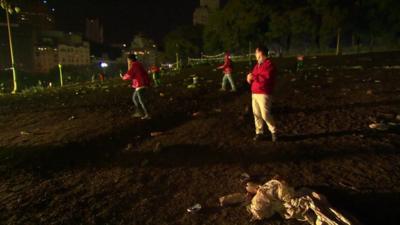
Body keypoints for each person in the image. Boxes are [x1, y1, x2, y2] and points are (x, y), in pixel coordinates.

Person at [247, 46, 278, 142]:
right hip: (255, 93)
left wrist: (253, 76)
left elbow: (265, 79)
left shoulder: (269, 64)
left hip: (264, 93)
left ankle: (273, 131)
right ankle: (259, 132)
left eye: (256, 52)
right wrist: (249, 78)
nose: (255, 54)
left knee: (265, 114)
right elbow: (254, 78)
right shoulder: (257, 66)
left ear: (260, 53)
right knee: (256, 114)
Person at [120, 54, 151, 120]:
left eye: (128, 60)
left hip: (141, 84)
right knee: (135, 98)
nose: (127, 61)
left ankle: (147, 114)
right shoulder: (137, 64)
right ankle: (140, 113)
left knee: (141, 101)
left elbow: (129, 75)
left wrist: (123, 77)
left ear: (130, 60)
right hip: (141, 84)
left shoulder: (135, 65)